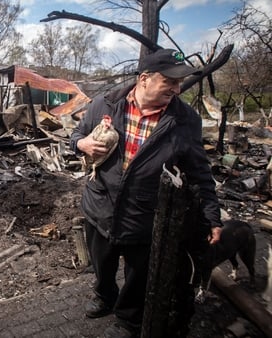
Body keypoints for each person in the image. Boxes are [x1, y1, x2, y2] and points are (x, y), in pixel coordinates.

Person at [70, 48, 222, 338]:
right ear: (144, 79)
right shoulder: (105, 103)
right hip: (100, 204)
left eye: (179, 83)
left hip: (146, 213)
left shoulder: (185, 120)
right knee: (101, 262)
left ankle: (128, 319)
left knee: (138, 274)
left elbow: (200, 173)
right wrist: (82, 145)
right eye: (170, 82)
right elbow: (76, 137)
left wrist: (212, 216)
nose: (177, 89)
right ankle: (105, 296)